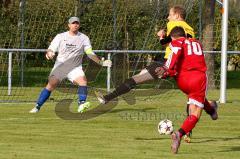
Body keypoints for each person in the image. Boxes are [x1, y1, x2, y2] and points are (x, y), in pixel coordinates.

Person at [29, 17, 112, 113]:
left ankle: (81, 104)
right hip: (60, 67)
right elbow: (50, 49)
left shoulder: (84, 38)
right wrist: (49, 53)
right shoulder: (60, 36)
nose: (75, 25)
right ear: (69, 25)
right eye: (73, 23)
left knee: (83, 81)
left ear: (79, 25)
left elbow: (89, 53)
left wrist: (100, 62)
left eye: (77, 23)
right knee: (51, 85)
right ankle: (37, 107)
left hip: (75, 68)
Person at [161, 26, 218, 154]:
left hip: (182, 80)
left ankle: (211, 109)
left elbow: (174, 53)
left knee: (196, 97)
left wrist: (167, 70)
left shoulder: (177, 42)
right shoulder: (196, 42)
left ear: (174, 37)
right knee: (195, 115)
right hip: (197, 78)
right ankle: (179, 134)